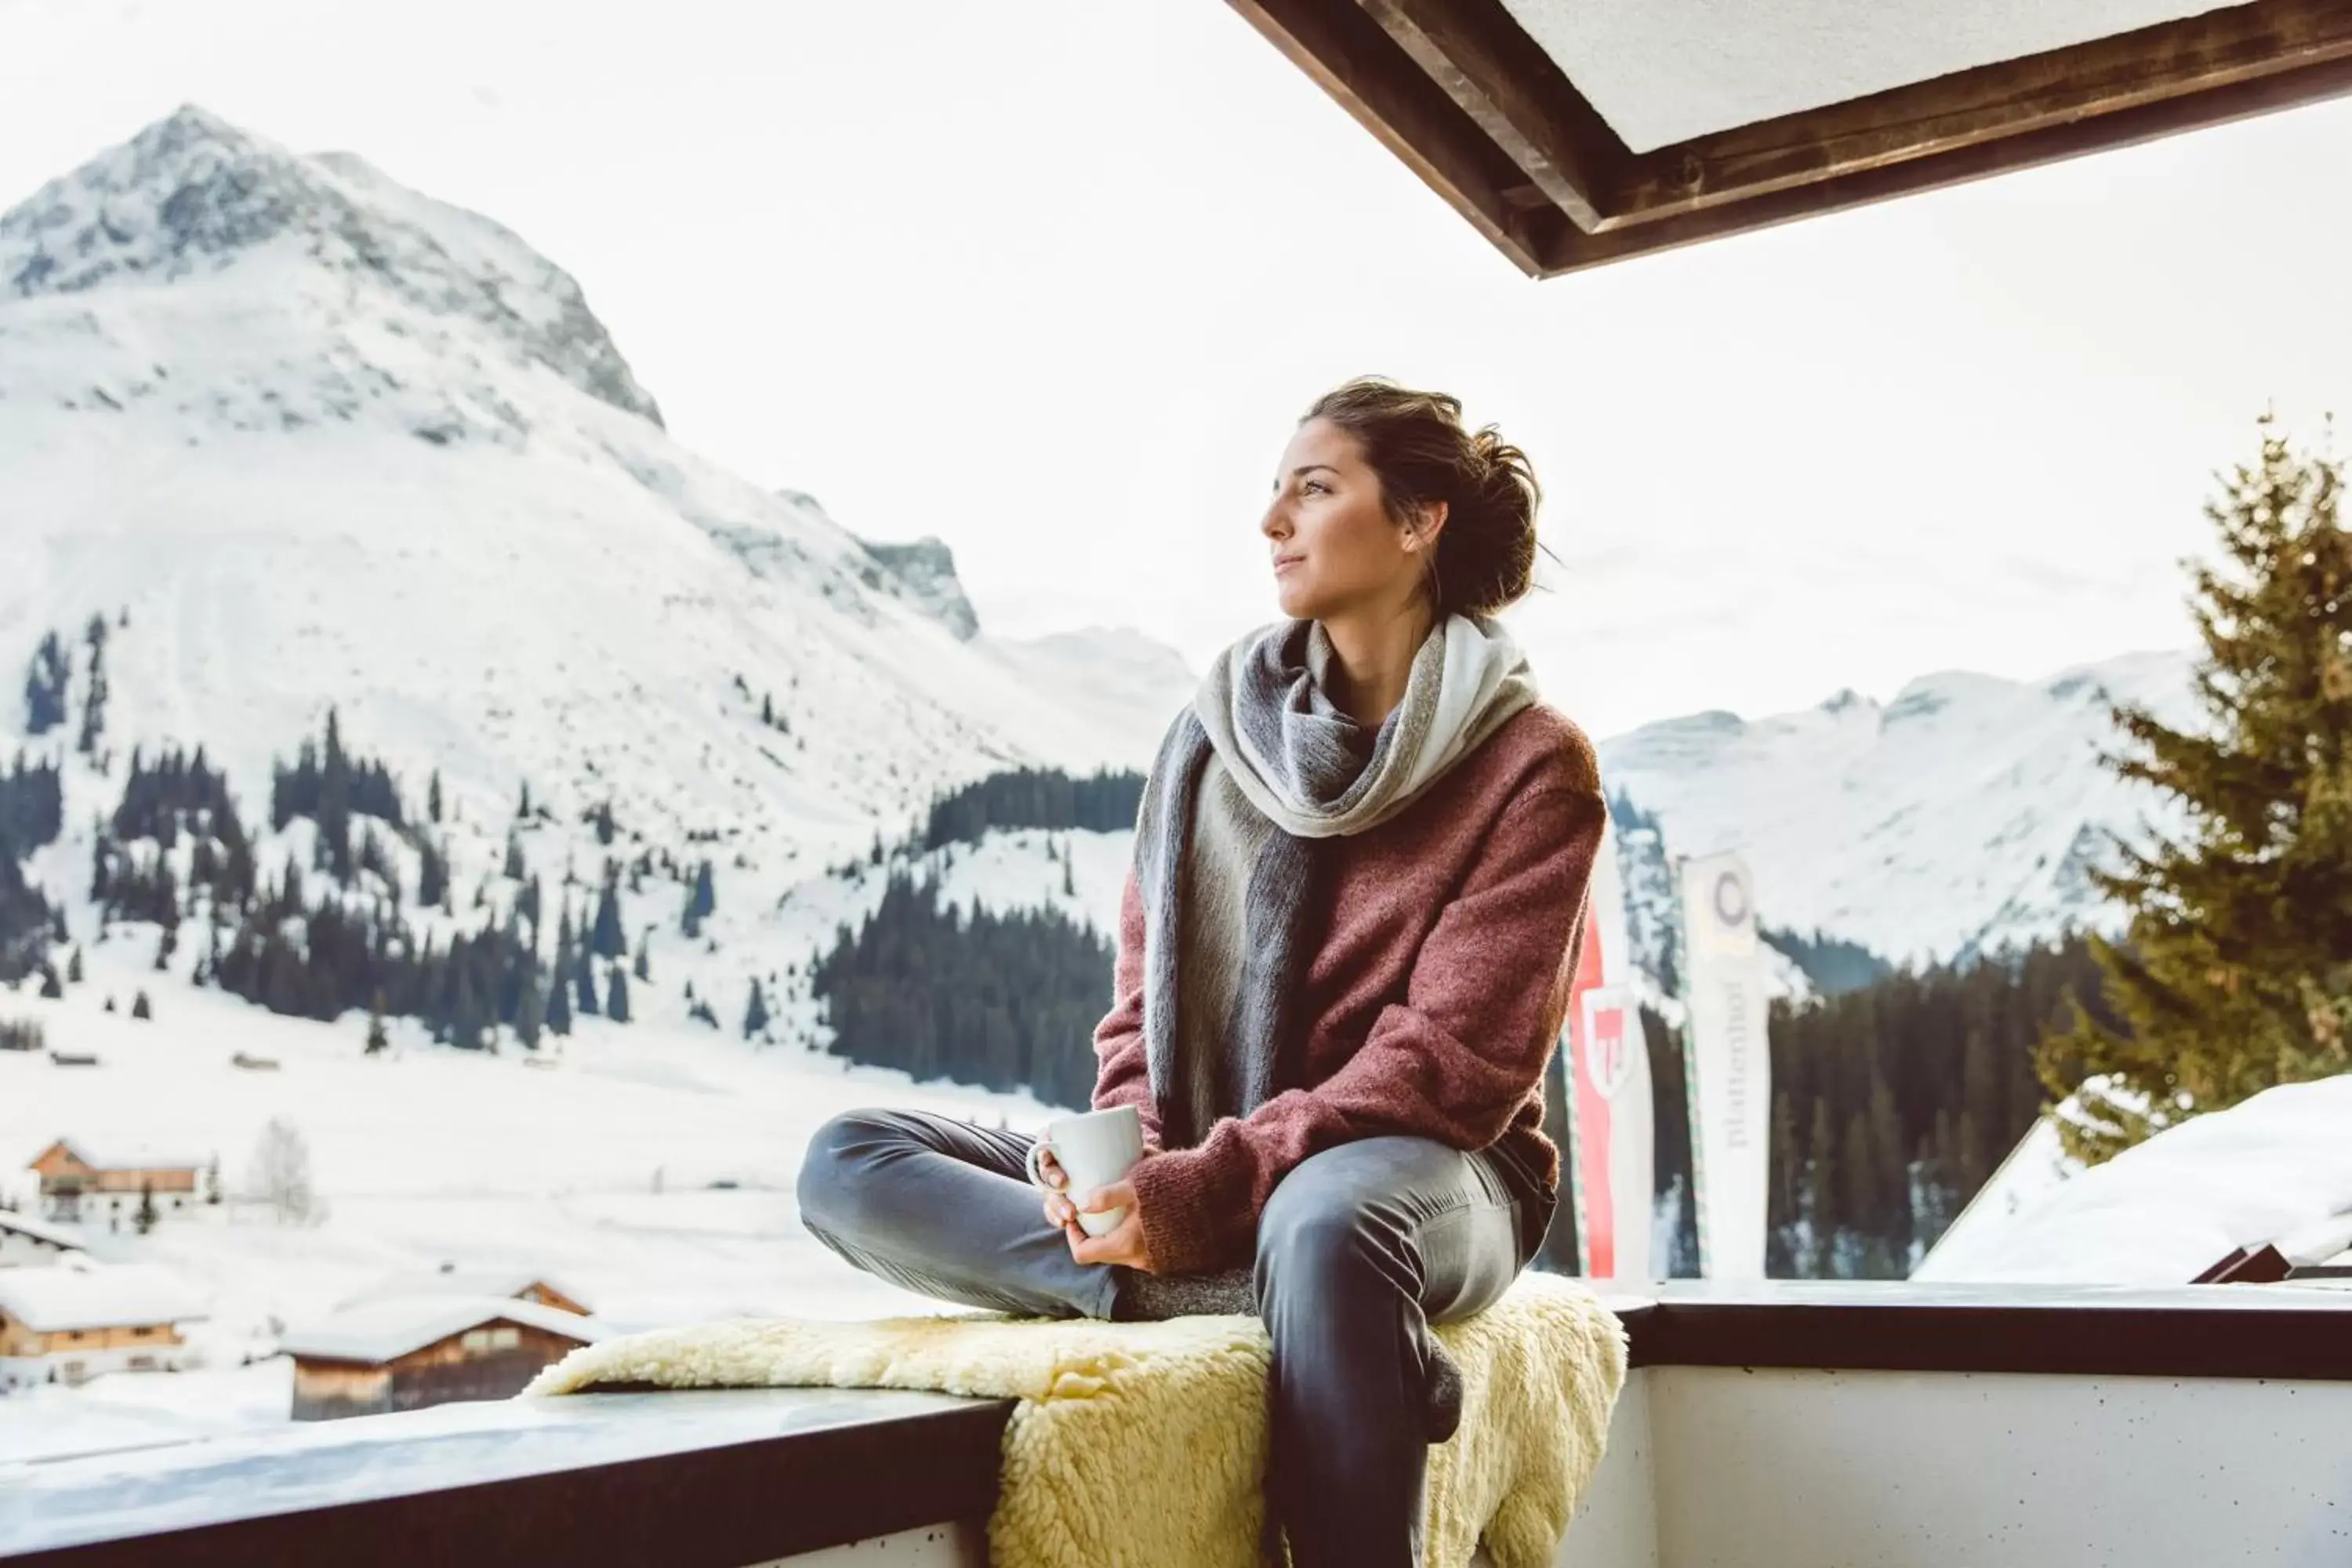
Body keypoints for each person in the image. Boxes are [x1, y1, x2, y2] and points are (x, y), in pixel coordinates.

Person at [797, 376, 1606, 1566]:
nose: (1273, 522)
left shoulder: (1534, 764)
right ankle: (1284, 1312)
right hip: (1214, 1163)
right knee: (850, 1161)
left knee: (1326, 1220)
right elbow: (1137, 1012)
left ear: (1419, 519)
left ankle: (1314, 1297)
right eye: (1271, 494)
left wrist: (1205, 1195)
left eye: (1314, 490)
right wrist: (1125, 1170)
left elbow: (1447, 1069)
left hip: (1433, 1181)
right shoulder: (1210, 740)